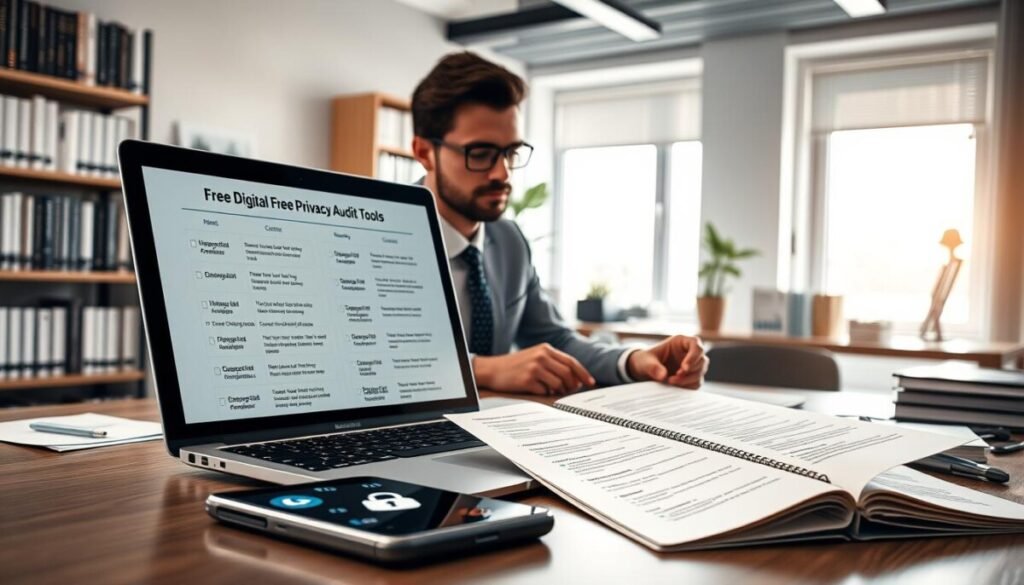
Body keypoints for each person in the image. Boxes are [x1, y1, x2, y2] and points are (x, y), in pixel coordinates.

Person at [409, 51, 708, 396]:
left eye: (510, 152)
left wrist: (634, 360)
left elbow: (555, 338)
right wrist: (483, 369)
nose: (502, 173)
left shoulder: (508, 240)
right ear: (424, 152)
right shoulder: (372, 231)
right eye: (480, 154)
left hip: (492, 428)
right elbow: (374, 355)